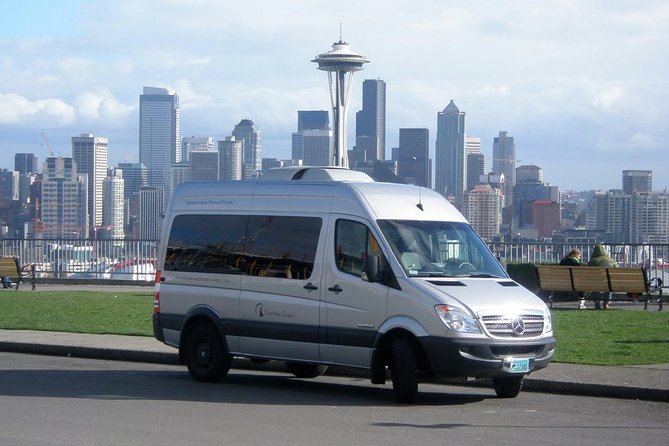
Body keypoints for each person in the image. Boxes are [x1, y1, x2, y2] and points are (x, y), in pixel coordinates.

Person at [587, 243, 618, 309]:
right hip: (607, 282)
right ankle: (606, 303)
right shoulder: (611, 260)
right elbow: (617, 271)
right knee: (609, 285)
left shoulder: (591, 262)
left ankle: (596, 303)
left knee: (594, 285)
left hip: (595, 283)